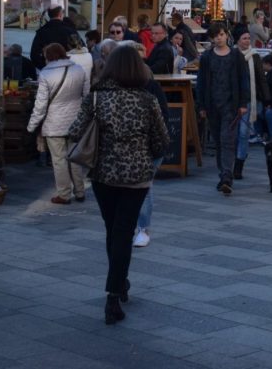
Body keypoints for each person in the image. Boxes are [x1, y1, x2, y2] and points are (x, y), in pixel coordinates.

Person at [68, 45, 167, 324]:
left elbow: (75, 131)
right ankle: (115, 291)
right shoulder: (147, 100)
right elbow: (162, 140)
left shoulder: (97, 99)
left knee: (113, 230)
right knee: (123, 231)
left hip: (103, 174)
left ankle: (119, 283)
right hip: (136, 177)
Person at [27, 43, 90, 204]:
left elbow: (40, 105)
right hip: (75, 121)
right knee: (74, 157)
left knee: (59, 160)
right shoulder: (78, 70)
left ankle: (64, 194)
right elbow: (86, 96)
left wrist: (32, 125)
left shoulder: (46, 74)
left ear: (49, 56)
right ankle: (80, 191)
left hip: (54, 123)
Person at [122, 42, 170, 250]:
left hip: (146, 145)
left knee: (144, 185)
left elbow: (162, 120)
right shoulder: (113, 86)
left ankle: (143, 228)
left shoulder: (150, 86)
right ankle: (131, 227)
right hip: (122, 146)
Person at [195, 22, 250, 195]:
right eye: (214, 36)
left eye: (220, 35)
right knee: (219, 141)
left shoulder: (236, 55)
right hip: (213, 105)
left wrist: (243, 103)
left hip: (231, 105)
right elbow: (201, 83)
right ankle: (223, 173)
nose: (218, 38)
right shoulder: (206, 57)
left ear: (226, 35)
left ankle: (227, 176)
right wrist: (201, 105)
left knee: (227, 139)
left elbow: (243, 80)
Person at [234, 31, 270, 179]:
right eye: (244, 38)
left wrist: (267, 99)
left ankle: (239, 164)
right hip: (232, 101)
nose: (247, 41)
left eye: (249, 38)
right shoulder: (232, 55)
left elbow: (261, 79)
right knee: (233, 134)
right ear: (237, 40)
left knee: (243, 133)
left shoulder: (254, 56)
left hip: (248, 100)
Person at [30, 6, 77, 71]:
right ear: (60, 14)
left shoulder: (41, 32)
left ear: (49, 15)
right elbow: (80, 50)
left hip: (48, 71)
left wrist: (45, 68)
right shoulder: (70, 31)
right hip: (68, 69)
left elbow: (34, 55)